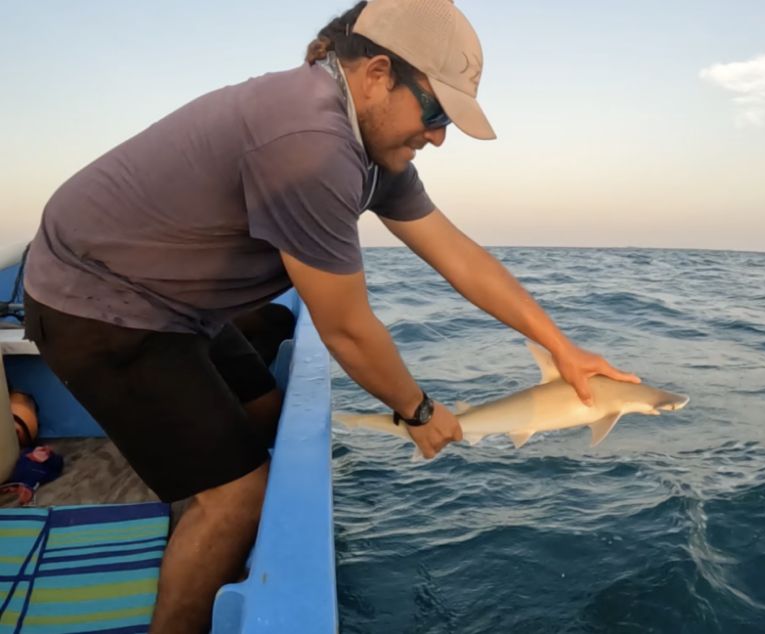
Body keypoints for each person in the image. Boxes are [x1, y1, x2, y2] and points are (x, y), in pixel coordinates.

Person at [21, 0, 639, 631]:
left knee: (266, 410)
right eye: (434, 111)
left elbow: (459, 256)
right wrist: (419, 412)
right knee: (238, 498)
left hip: (183, 305)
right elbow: (345, 328)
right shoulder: (310, 146)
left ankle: (221, 523)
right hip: (99, 303)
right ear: (376, 74)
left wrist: (560, 348)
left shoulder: (373, 148)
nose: (438, 136)